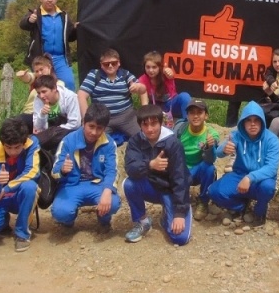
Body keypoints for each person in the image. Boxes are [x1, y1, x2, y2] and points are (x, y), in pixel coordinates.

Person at [123, 104, 192, 245]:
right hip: (151, 187)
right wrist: (150, 165)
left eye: (154, 124)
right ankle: (142, 222)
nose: (150, 129)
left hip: (170, 191)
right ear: (139, 125)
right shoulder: (135, 141)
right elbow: (130, 168)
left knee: (179, 238)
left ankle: (174, 212)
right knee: (129, 184)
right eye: (145, 124)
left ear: (161, 123)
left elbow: (180, 178)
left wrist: (179, 213)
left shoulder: (173, 144)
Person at [50, 102, 121, 232]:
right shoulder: (68, 140)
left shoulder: (109, 143)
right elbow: (55, 170)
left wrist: (107, 191)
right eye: (91, 126)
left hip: (97, 184)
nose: (94, 132)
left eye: (99, 128)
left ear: (105, 128)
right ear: (83, 123)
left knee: (113, 203)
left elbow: (113, 171)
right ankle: (68, 221)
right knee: (60, 212)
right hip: (72, 185)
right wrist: (62, 170)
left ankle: (104, 219)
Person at [209, 102, 279, 227]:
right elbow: (219, 153)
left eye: (256, 120)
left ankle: (259, 211)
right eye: (249, 120)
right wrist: (224, 149)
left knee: (268, 187)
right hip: (239, 175)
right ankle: (241, 206)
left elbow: (271, 168)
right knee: (214, 191)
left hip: (261, 179)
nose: (252, 124)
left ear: (262, 122)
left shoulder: (272, 139)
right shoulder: (236, 135)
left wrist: (250, 177)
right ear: (243, 122)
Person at [0, 118, 41, 252]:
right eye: (8, 147)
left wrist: (5, 189)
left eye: (17, 147)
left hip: (19, 194)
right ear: (2, 143)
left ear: (24, 143)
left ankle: (22, 233)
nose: (12, 151)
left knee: (30, 187)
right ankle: (3, 222)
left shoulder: (32, 144)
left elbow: (32, 172)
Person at [78, 48, 146, 140]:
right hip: (102, 118)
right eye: (106, 64)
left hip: (127, 116)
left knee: (143, 137)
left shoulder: (126, 74)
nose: (110, 66)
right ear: (101, 65)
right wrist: (86, 119)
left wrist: (138, 87)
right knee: (92, 140)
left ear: (118, 63)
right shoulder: (94, 75)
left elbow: (143, 89)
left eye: (113, 63)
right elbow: (81, 95)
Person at [19, 0, 77, 91]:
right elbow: (23, 25)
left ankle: (66, 108)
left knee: (68, 85)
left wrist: (76, 29)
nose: (50, 0)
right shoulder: (36, 14)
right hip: (42, 58)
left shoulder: (64, 16)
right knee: (42, 89)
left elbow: (70, 37)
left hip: (61, 58)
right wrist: (29, 20)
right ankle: (41, 108)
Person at [177, 98, 219, 221]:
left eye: (199, 113)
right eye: (192, 113)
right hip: (182, 169)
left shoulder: (211, 134)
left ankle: (203, 201)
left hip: (199, 169)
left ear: (206, 116)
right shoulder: (180, 130)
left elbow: (211, 159)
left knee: (210, 168)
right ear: (187, 115)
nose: (195, 116)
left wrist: (210, 147)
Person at [136, 50, 192, 124]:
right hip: (156, 108)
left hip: (172, 104)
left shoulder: (166, 74)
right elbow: (144, 103)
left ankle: (188, 123)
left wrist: (169, 72)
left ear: (159, 67)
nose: (151, 70)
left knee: (185, 96)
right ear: (144, 67)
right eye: (148, 67)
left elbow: (170, 73)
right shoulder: (142, 80)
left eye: (154, 67)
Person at [15, 54, 64, 132]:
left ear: (49, 67)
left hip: (43, 114)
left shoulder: (58, 84)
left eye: (42, 69)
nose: (40, 73)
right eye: (37, 71)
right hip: (28, 113)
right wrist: (24, 75)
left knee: (17, 122)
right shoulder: (36, 82)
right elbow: (29, 77)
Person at [33, 74, 81, 151]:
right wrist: (42, 114)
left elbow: (75, 124)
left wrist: (56, 129)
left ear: (54, 88)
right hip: (47, 131)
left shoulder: (69, 97)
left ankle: (33, 144)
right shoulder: (38, 100)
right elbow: (37, 127)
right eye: (38, 93)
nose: (41, 96)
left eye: (44, 91)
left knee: (52, 134)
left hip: (66, 130)